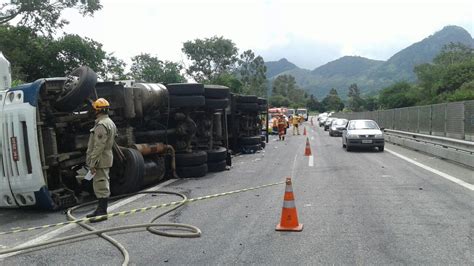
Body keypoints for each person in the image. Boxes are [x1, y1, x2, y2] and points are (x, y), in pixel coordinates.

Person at [86, 98, 117, 222]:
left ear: (98, 111)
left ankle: (102, 212)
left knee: (101, 184)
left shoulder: (101, 125)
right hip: (105, 157)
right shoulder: (109, 122)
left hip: (100, 159)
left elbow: (99, 146)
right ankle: (99, 209)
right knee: (101, 183)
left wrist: (93, 162)